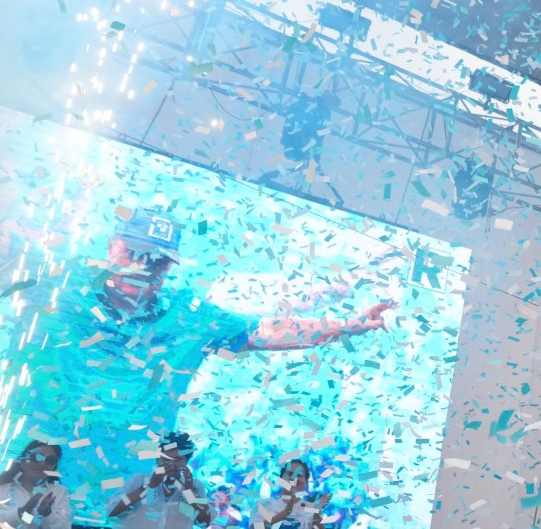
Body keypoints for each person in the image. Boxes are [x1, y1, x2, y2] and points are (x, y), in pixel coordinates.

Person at [2, 207, 393, 519]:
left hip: (119, 506)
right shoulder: (58, 283)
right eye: (135, 254)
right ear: (111, 247)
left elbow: (265, 330)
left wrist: (348, 326)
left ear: (169, 268)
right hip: (24, 495)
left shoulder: (187, 316)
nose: (143, 267)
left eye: (157, 261)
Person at [106, 432, 212, 528]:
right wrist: (149, 486)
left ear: (186, 462)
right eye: (165, 458)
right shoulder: (139, 480)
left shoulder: (195, 485)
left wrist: (189, 491)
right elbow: (112, 510)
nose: (171, 464)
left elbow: (204, 522)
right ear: (157, 458)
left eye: (177, 459)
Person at [0, 441, 71, 528]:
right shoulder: (2, 490)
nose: (42, 464)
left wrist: (47, 514)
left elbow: (66, 527)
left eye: (50, 460)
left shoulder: (60, 492)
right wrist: (21, 512)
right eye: (36, 457)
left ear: (54, 468)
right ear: (22, 462)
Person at [251, 459, 330, 529]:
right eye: (289, 474)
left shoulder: (311, 508)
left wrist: (316, 512)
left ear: (305, 481)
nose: (294, 478)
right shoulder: (263, 504)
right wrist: (284, 513)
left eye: (299, 475)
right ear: (280, 479)